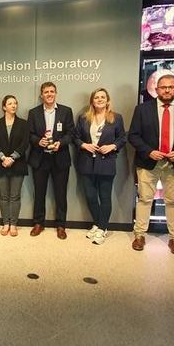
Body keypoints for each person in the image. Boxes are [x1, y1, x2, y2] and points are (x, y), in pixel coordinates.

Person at [127, 74, 174, 255]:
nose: (167, 90)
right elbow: (133, 135)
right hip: (148, 161)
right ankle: (140, 235)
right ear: (156, 89)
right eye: (163, 87)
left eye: (171, 87)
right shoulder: (142, 109)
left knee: (173, 201)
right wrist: (149, 151)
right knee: (144, 199)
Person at [73, 88, 126, 245]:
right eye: (97, 97)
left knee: (104, 197)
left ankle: (102, 229)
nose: (100, 99)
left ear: (108, 100)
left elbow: (123, 138)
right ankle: (98, 223)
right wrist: (83, 145)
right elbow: (75, 137)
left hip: (106, 162)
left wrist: (113, 146)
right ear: (92, 101)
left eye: (103, 97)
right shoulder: (84, 118)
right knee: (90, 196)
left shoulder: (116, 118)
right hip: (86, 161)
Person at [26, 82, 75, 239]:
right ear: (41, 95)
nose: (49, 94)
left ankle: (61, 225)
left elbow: (71, 133)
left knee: (60, 194)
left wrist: (61, 143)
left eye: (52, 91)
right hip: (40, 159)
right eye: (46, 92)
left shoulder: (66, 111)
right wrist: (37, 141)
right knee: (39, 193)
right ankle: (38, 223)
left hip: (60, 158)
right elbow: (30, 134)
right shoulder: (33, 113)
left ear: (56, 93)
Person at [0, 95, 29, 236]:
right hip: (1, 164)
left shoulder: (23, 124)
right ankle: (5, 223)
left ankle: (13, 224)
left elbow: (25, 143)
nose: (13, 105)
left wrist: (12, 158)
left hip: (17, 164)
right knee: (4, 196)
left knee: (15, 196)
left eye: (15, 103)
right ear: (4, 107)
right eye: (10, 103)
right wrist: (2, 157)